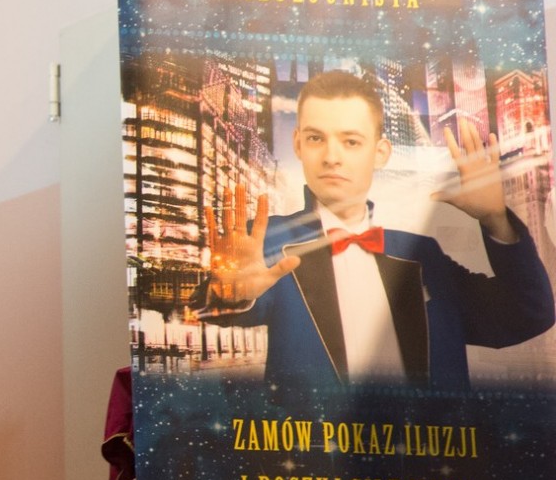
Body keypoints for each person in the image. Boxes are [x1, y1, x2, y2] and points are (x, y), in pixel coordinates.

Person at [203, 70, 554, 389]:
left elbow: (528, 314)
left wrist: (496, 220)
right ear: (298, 145)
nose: (332, 157)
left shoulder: (423, 254)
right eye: (315, 138)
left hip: (427, 438)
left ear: (381, 152)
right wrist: (231, 294)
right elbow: (216, 303)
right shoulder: (268, 239)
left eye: (351, 141)